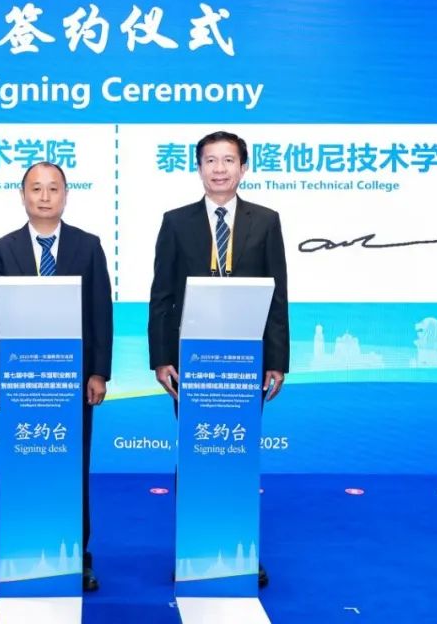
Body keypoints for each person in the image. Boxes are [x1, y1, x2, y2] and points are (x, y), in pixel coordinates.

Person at [147, 130, 290, 588]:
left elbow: (277, 297)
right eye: (210, 160)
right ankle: (195, 548)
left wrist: (277, 360)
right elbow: (161, 296)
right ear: (199, 167)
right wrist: (161, 359)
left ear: (243, 168)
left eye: (229, 160)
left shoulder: (265, 221)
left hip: (246, 364)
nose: (220, 169)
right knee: (196, 454)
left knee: (237, 454)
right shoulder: (176, 222)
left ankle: (239, 548)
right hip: (190, 364)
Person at [0, 161, 113, 593]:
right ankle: (27, 548)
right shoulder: (2, 249)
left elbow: (100, 313)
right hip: (22, 382)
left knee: (74, 467)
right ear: (22, 195)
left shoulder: (87, 246)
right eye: (35, 188)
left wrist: (98, 372)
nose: (44, 196)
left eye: (53, 188)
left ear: (65, 195)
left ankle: (76, 554)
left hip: (74, 382)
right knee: (27, 464)